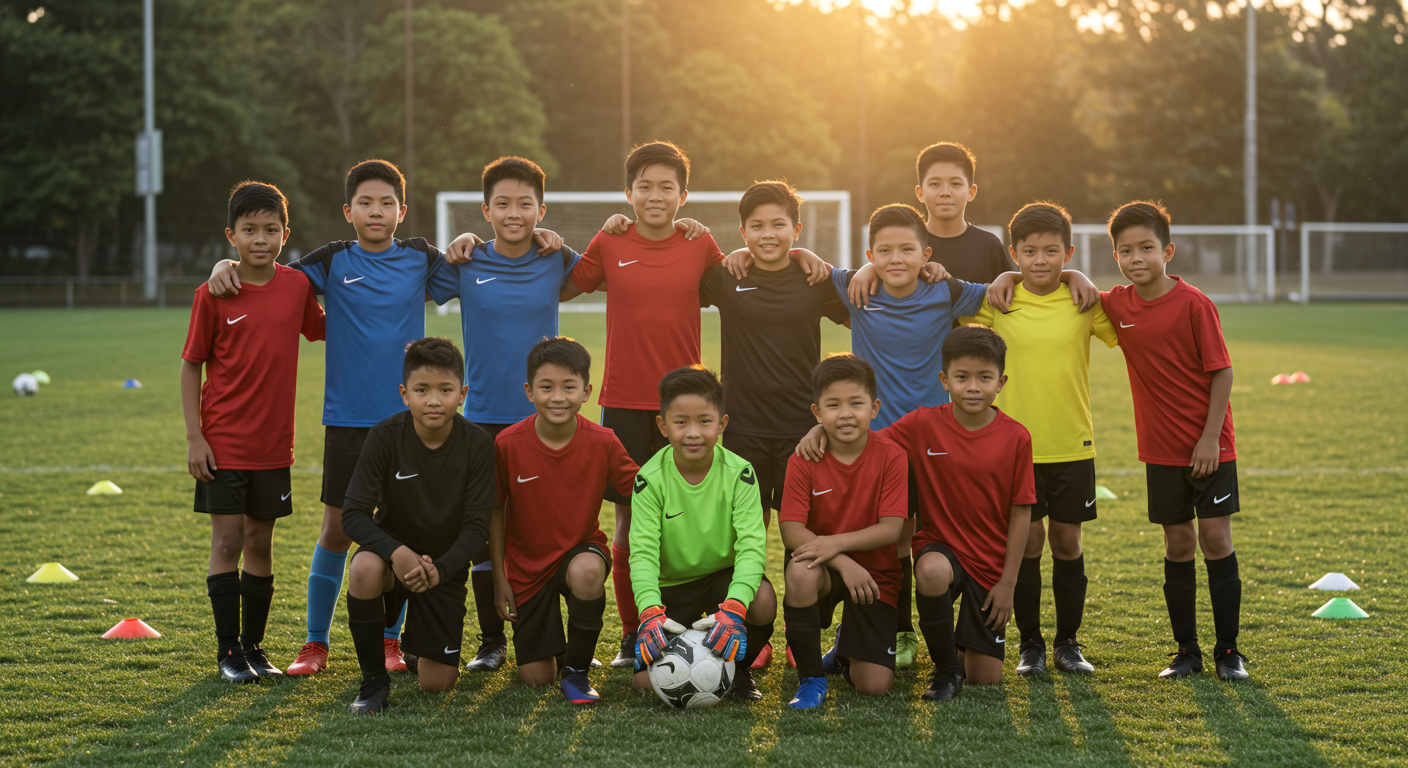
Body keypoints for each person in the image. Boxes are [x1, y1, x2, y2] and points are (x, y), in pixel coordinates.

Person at [561, 141, 728, 667]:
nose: (656, 196)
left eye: (667, 187)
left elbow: (743, 283)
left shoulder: (701, 245)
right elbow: (564, 284)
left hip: (687, 410)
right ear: (628, 192)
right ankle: (636, 636)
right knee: (633, 526)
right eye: (646, 186)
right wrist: (546, 240)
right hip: (626, 405)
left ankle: (702, 626)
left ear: (684, 194)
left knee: (694, 521)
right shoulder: (610, 240)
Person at [422, 156, 583, 673]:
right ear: (486, 209)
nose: (515, 213)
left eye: (526, 204)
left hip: (548, 417)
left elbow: (609, 270)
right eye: (504, 204)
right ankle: (491, 641)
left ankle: (548, 637)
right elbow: (411, 276)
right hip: (486, 416)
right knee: (484, 527)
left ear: (542, 208)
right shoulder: (465, 261)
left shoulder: (557, 258)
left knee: (541, 526)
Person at [962, 202, 1120, 676]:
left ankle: (1068, 642)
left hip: (1072, 444)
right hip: (1015, 452)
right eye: (1029, 251)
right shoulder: (998, 301)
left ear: (1067, 253)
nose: (1040, 260)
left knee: (1067, 544)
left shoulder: (1084, 303)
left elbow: (1128, 332)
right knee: (1027, 544)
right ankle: (1030, 644)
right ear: (1014, 254)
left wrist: (1081, 278)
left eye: (1052, 251)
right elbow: (958, 333)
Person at [181, 181, 325, 682]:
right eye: (249, 230)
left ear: (286, 234)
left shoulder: (298, 287)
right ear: (231, 236)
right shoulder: (214, 291)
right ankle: (227, 653)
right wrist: (195, 437)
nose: (260, 239)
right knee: (226, 543)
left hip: (273, 447)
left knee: (261, 545)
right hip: (222, 444)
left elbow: (325, 328)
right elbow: (190, 366)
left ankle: (254, 648)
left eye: (270, 229)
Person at [1099, 201, 1248, 681]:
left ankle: (1229, 652)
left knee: (1214, 538)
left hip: (1210, 446)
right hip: (1160, 452)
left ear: (1168, 250)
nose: (1136, 257)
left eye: (1146, 247)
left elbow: (1222, 372)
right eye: (1125, 250)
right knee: (1178, 542)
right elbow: (1068, 288)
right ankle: (1187, 651)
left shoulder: (1194, 303)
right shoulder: (1117, 305)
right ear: (1116, 256)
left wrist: (1208, 439)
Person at [339, 337, 496, 714]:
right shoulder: (384, 436)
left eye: (445, 390)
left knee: (436, 685)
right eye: (422, 390)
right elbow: (353, 514)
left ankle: (417, 644)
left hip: (445, 567)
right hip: (396, 561)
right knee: (363, 567)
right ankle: (374, 681)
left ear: (463, 393)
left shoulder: (478, 444)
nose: (433, 400)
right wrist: (399, 554)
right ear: (404, 393)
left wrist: (440, 570)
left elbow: (478, 528)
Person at [884, 326, 1034, 700]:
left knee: (986, 679)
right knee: (931, 571)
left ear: (1001, 382)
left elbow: (1021, 515)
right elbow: (870, 441)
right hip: (942, 549)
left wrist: (1008, 584)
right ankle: (946, 668)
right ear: (944, 380)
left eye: (984, 378)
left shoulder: (1016, 437)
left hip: (990, 563)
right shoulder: (922, 424)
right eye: (962, 377)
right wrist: (822, 432)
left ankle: (962, 645)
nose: (972, 387)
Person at [490, 338, 638, 703]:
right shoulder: (508, 444)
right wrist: (499, 578)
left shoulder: (603, 441)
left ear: (586, 391)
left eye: (569, 387)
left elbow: (645, 490)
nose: (558, 397)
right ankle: (556, 652)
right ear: (529, 391)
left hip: (579, 552)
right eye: (547, 387)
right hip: (526, 569)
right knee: (537, 678)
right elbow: (494, 512)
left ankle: (577, 672)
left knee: (587, 572)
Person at [630, 366, 776, 701]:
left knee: (763, 602)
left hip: (719, 581)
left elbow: (753, 547)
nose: (693, 433)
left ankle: (738, 673)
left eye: (705, 421)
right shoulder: (649, 479)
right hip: (672, 588)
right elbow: (642, 553)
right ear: (663, 426)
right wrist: (650, 610)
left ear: (722, 424)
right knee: (643, 684)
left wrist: (736, 606)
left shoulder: (740, 473)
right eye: (681, 422)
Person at [780, 354, 906, 709]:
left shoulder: (893, 456)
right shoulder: (803, 459)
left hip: (876, 576)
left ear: (875, 407)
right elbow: (791, 530)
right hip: (827, 569)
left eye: (856, 403)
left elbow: (891, 528)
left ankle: (844, 651)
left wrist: (835, 545)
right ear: (817, 413)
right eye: (833, 405)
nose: (846, 413)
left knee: (874, 686)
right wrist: (844, 562)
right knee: (801, 572)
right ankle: (810, 679)